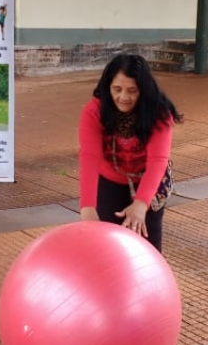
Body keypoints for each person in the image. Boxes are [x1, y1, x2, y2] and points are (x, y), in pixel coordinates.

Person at [78, 53, 183, 252]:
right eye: (116, 89)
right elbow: (89, 158)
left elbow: (158, 160)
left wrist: (141, 204)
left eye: (132, 91)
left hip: (148, 179)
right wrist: (87, 208)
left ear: (143, 90)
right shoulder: (94, 111)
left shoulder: (159, 113)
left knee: (147, 240)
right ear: (107, 88)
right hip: (110, 177)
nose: (123, 97)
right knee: (107, 242)